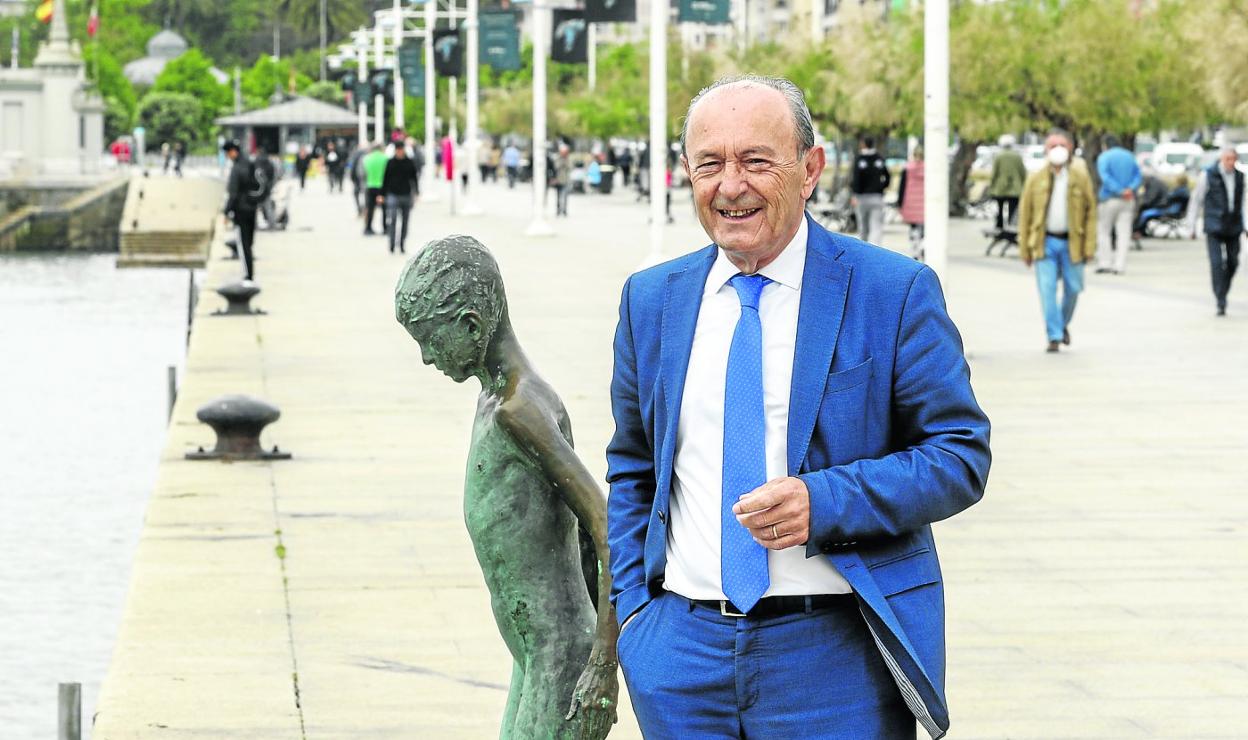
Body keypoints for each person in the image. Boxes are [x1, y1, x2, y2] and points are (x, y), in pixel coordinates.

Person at [606, 75, 991, 740]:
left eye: (757, 160)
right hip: (680, 658)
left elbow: (960, 453)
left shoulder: (892, 291)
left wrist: (827, 500)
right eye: (710, 164)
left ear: (811, 168)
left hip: (834, 658)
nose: (731, 186)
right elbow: (633, 468)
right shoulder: (651, 299)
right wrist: (638, 620)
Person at [395, 236, 619, 740]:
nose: (428, 359)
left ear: (471, 325)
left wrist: (602, 663)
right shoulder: (497, 401)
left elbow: (602, 525)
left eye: (430, 341)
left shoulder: (521, 411)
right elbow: (579, 536)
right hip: (536, 655)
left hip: (559, 655)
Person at [1017, 130, 1097, 352]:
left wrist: (1089, 246)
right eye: (1053, 146)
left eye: (1062, 144)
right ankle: (1054, 335)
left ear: (1071, 148)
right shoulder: (1036, 178)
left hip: (1073, 243)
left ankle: (1061, 325)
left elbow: (1091, 213)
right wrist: (1024, 248)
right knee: (1047, 290)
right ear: (1046, 150)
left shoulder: (1080, 178)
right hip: (1045, 243)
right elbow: (1025, 214)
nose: (1058, 149)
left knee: (1073, 288)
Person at [1186, 145, 1246, 316]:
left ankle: (1222, 289)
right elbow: (1196, 201)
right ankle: (1220, 300)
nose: (1230, 163)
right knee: (1216, 263)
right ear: (1221, 159)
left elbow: (1243, 203)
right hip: (1214, 225)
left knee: (1233, 262)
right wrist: (1191, 226)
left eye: (1233, 159)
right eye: (1227, 159)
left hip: (1233, 225)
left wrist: (1245, 225)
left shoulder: (1240, 177)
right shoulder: (1207, 175)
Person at [1095, 135, 1141, 274]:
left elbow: (1105, 177)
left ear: (1105, 145)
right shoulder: (1130, 156)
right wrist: (1129, 189)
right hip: (1128, 200)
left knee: (1104, 231)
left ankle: (1105, 262)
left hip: (1109, 198)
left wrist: (1119, 190)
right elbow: (1137, 176)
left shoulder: (1104, 157)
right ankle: (1120, 265)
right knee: (1124, 233)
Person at [222, 140, 260, 282]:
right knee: (249, 244)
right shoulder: (250, 163)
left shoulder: (236, 168)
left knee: (243, 246)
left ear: (233, 151)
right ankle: (250, 274)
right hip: (252, 207)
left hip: (241, 210)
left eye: (227, 153)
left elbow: (233, 194)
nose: (227, 156)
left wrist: (226, 212)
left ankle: (248, 276)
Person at [850, 136, 890, 245]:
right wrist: (882, 187)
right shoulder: (879, 158)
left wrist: (854, 194)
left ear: (863, 144)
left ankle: (864, 249)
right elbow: (887, 176)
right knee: (876, 226)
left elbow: (855, 178)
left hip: (861, 197)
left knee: (863, 227)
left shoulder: (859, 159)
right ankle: (876, 250)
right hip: (877, 197)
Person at [380, 144, 419, 254]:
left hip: (406, 194)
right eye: (398, 150)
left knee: (405, 221)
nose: (399, 152)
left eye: (401, 150)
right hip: (393, 194)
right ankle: (392, 243)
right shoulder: (390, 162)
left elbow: (414, 178)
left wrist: (416, 192)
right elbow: (385, 178)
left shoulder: (409, 162)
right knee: (392, 219)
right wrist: (382, 194)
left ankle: (402, 243)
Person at [988, 134, 1026, 230]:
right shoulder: (1017, 156)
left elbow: (994, 173)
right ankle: (1011, 226)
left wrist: (992, 185)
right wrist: (1024, 184)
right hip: (1016, 188)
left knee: (999, 209)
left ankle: (999, 225)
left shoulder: (998, 156)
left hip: (1000, 188)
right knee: (1013, 209)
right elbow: (1023, 172)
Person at [897, 146, 926, 260]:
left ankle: (914, 251)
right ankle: (922, 247)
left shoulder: (907, 168)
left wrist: (900, 203)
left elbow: (902, 187)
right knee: (924, 230)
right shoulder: (928, 169)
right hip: (924, 203)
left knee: (913, 227)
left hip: (910, 202)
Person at [363, 143, 389, 235]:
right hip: (382, 186)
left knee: (370, 208)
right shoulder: (385, 158)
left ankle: (368, 228)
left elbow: (363, 173)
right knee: (385, 209)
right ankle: (385, 228)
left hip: (370, 185)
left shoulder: (367, 158)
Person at [253, 147, 279, 230]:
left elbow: (253, 176)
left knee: (255, 208)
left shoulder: (256, 162)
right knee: (268, 208)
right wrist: (270, 186)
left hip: (257, 190)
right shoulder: (270, 163)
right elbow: (274, 176)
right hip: (267, 189)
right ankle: (272, 225)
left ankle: (255, 225)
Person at [553, 143, 572, 217]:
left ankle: (564, 210)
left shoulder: (568, 159)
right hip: (558, 180)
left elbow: (570, 167)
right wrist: (561, 161)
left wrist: (565, 161)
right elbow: (556, 167)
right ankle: (558, 210)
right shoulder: (557, 158)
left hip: (566, 180)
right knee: (558, 196)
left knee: (565, 196)